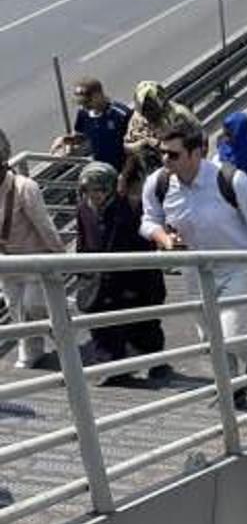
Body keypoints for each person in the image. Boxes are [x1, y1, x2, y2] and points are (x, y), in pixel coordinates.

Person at [140, 124, 247, 408]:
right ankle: (232, 389)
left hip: (238, 265)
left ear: (196, 153)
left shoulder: (231, 180)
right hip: (194, 269)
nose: (165, 160)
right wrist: (164, 238)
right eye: (162, 154)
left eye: (173, 155)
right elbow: (148, 220)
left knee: (232, 333)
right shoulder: (159, 183)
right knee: (210, 337)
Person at [74, 162, 169, 383]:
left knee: (144, 324)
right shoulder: (83, 208)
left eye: (99, 190)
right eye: (88, 190)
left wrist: (142, 280)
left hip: (132, 276)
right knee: (101, 324)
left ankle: (156, 361)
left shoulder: (132, 207)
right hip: (98, 276)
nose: (94, 195)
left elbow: (145, 246)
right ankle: (111, 367)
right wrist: (81, 273)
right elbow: (82, 241)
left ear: (110, 188)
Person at [0, 128, 64, 369]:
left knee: (34, 305)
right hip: (7, 266)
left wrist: (62, 260)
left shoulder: (24, 187)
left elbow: (45, 227)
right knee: (16, 310)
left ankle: (62, 332)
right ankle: (30, 351)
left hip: (33, 262)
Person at [53, 77, 132, 170]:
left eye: (86, 102)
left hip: (127, 169)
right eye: (81, 103)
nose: (84, 106)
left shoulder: (120, 114)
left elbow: (138, 143)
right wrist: (65, 140)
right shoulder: (84, 113)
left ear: (98, 95)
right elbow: (81, 136)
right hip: (104, 170)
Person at [124, 80, 199, 161]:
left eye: (151, 105)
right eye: (145, 107)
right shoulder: (137, 119)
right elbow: (127, 147)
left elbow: (199, 135)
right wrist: (142, 144)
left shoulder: (178, 113)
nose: (148, 111)